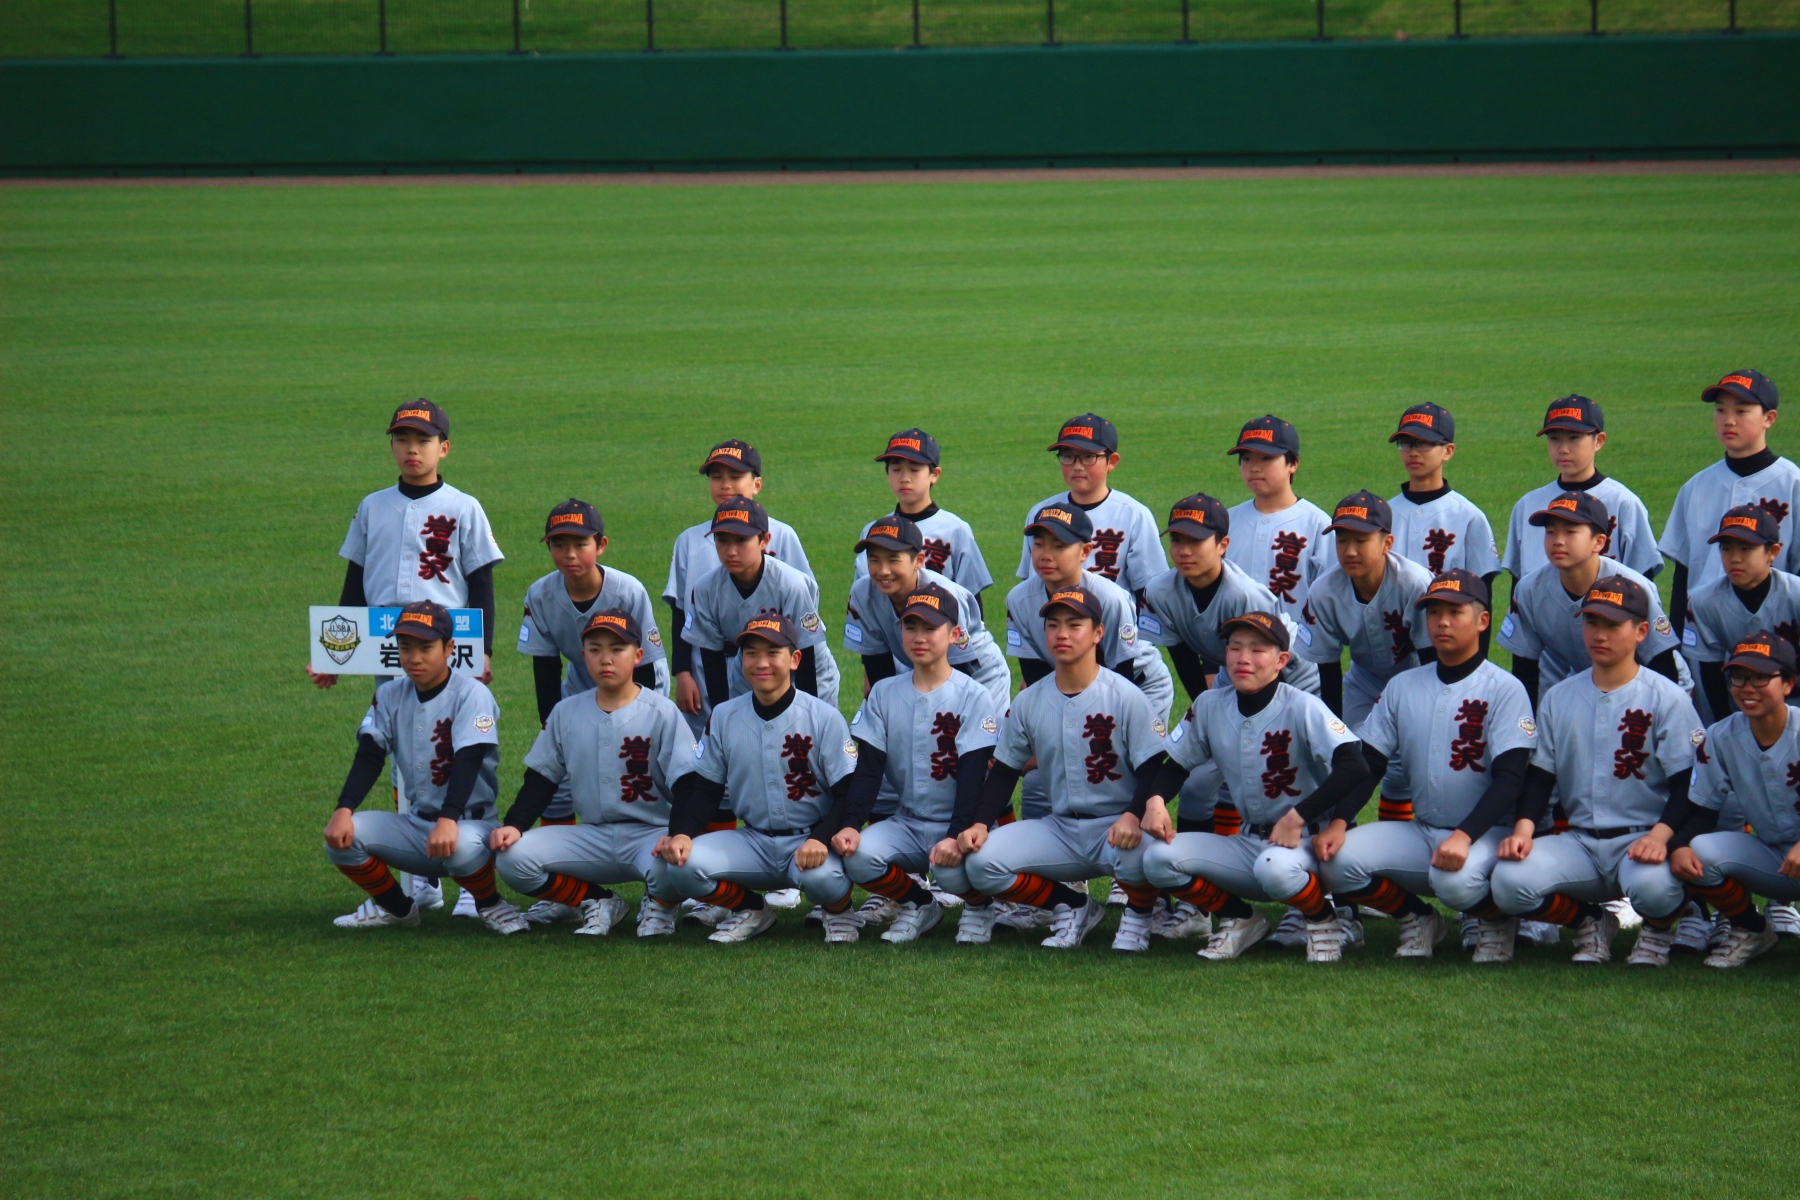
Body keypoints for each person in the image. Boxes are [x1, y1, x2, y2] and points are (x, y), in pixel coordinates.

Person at [310, 399, 505, 917]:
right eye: (402, 440)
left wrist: (483, 648)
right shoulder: (372, 505)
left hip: (447, 642)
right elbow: (354, 581)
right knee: (401, 752)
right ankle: (420, 885)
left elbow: (481, 582)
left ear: (444, 447)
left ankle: (470, 885)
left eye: (422, 440)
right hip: (387, 640)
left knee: (458, 748)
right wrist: (334, 656)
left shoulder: (464, 506)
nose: (411, 449)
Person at [1317, 571, 1537, 961]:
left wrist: (1465, 836)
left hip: (1488, 835)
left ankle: (1496, 920)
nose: (1442, 622)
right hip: (1424, 831)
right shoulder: (1403, 686)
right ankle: (1418, 918)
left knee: (1454, 882)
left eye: (1455, 612)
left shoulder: (1505, 689)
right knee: (1336, 862)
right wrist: (1339, 821)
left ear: (1482, 621)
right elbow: (1370, 762)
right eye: (1434, 612)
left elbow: (1511, 779)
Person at [1489, 577, 1706, 964]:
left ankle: (1658, 930)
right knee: (1508, 882)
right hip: (1580, 844)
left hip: (1643, 840)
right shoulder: (1559, 697)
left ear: (1641, 632)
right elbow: (1540, 776)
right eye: (1592, 622)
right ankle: (1590, 922)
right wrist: (1523, 829)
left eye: (1612, 625)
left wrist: (1661, 837)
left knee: (1656, 890)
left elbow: (1689, 785)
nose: (1599, 634)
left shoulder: (1667, 698)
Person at [948, 587, 1173, 951]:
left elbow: (1152, 768)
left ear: (1098, 633)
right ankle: (1072, 905)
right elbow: (1004, 771)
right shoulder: (1029, 700)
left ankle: (1140, 913)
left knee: (1148, 853)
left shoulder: (1126, 695)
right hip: (1060, 829)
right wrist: (979, 823)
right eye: (1053, 625)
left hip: (1117, 825)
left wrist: (1133, 815)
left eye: (1074, 624)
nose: (1062, 634)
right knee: (981, 864)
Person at [1138, 612, 1371, 963]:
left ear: (1281, 661)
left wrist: (1297, 816)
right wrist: (1155, 800)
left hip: (1309, 843)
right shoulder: (1210, 705)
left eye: (1257, 650)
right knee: (1157, 859)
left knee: (1274, 868)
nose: (1243, 658)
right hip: (1250, 842)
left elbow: (1355, 764)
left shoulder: (1303, 705)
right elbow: (1177, 765)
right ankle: (1242, 918)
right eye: (1235, 648)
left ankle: (1323, 919)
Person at [1138, 493, 1320, 940]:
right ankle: (1199, 904)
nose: (1184, 550)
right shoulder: (1161, 590)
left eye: (1195, 541)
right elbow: (1182, 654)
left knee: (1293, 783)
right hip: (1232, 682)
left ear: (1222, 544)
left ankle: (1312, 902)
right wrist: (1207, 712)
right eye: (1177, 540)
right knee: (1197, 784)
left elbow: (1273, 663)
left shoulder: (1246, 595)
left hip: (1290, 685)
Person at [321, 602, 527, 935]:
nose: (414, 658)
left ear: (449, 648)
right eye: (406, 648)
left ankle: (490, 904)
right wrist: (343, 809)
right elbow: (370, 755)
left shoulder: (472, 694)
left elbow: (470, 759)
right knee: (342, 838)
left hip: (472, 827)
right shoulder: (389, 694)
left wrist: (448, 819)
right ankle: (398, 909)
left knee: (460, 847)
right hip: (417, 826)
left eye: (425, 648)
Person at [491, 609, 697, 939]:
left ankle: (661, 905)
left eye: (617, 649)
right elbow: (542, 777)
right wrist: (515, 825)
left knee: (678, 862)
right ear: (583, 655)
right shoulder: (566, 711)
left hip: (650, 835)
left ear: (638, 655)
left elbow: (689, 783)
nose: (606, 659)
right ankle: (596, 900)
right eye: (595, 649)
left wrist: (679, 833)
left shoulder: (661, 712)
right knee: (512, 858)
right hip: (591, 837)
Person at [656, 612, 861, 943]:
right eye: (751, 653)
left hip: (808, 840)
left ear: (794, 660)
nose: (761, 662)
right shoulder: (724, 716)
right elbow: (706, 790)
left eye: (772, 652)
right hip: (752, 841)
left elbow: (847, 793)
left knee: (823, 879)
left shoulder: (824, 717)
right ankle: (751, 909)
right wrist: (681, 833)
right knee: (682, 865)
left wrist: (821, 838)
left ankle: (839, 912)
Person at [513, 499, 664, 924]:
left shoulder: (628, 591)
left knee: (642, 774)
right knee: (558, 779)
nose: (569, 554)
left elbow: (645, 663)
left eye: (580, 544)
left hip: (640, 686)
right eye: (558, 544)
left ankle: (660, 889)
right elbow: (544, 666)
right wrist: (552, 727)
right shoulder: (541, 593)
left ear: (601, 545)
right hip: (578, 688)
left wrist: (639, 719)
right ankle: (569, 890)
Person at [832, 583, 1001, 943]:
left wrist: (955, 835)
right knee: (857, 856)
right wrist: (851, 824)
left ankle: (979, 906)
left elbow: (974, 776)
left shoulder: (974, 694)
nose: (919, 637)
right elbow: (868, 769)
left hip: (960, 824)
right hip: (907, 822)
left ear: (954, 635)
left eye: (930, 628)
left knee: (952, 869)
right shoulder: (884, 692)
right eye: (911, 627)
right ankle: (920, 903)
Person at [1004, 502, 1174, 844]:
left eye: (1058, 545)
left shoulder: (1110, 598)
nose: (1046, 555)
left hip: (1137, 687)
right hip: (1070, 684)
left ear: (1085, 552)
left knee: (1120, 771)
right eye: (1038, 544)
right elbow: (1036, 674)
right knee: (1047, 775)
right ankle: (1051, 856)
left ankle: (1131, 851)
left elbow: (1121, 679)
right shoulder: (1019, 599)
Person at [663, 439, 814, 736]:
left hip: (777, 661)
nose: (725, 485)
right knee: (724, 735)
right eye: (717, 477)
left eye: (735, 476)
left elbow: (805, 613)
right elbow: (682, 610)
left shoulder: (782, 537)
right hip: (712, 658)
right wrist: (682, 671)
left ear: (756, 484)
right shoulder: (690, 541)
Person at [1297, 490, 1433, 818]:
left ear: (1387, 543)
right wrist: (1334, 731)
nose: (1350, 551)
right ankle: (1341, 833)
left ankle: (1401, 838)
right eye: (1342, 540)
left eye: (1361, 540)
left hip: (1417, 677)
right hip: (1364, 681)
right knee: (1346, 761)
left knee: (1411, 765)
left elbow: (1433, 657)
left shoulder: (1415, 584)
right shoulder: (1325, 591)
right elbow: (1328, 669)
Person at [1673, 632, 1800, 967]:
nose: (1747, 688)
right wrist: (1680, 845)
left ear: (1788, 684)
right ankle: (1752, 929)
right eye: (1739, 677)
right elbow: (1703, 809)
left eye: (1760, 678)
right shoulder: (1720, 736)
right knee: (1699, 852)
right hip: (1774, 858)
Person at [1499, 490, 1682, 708]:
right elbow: (1525, 668)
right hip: (1586, 690)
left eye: (1570, 532)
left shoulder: (1634, 587)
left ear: (1599, 542)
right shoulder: (1529, 590)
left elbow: (1662, 662)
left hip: (1653, 687)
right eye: (1550, 532)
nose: (1558, 541)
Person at [683, 495, 839, 710]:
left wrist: (809, 716)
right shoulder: (706, 589)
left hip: (808, 673)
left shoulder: (791, 585)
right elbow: (712, 659)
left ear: (764, 540)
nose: (731, 551)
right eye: (722, 540)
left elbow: (806, 652)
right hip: (751, 673)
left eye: (741, 540)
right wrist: (719, 716)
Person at [845, 513, 1009, 704]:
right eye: (874, 560)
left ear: (918, 560)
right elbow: (877, 666)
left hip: (980, 675)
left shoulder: (944, 595)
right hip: (923, 671)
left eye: (893, 560)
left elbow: (961, 671)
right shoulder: (862, 593)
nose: (883, 571)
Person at [1502, 394, 1661, 581]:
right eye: (1554, 438)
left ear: (1599, 441)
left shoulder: (1623, 503)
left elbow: (1642, 581)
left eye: (1574, 438)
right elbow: (1519, 586)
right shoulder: (1528, 504)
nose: (1563, 449)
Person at [1014, 413, 1166, 605]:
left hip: (1111, 619)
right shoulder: (1042, 512)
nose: (1077, 466)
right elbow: (1029, 583)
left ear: (1112, 461)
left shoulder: (1134, 515)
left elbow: (1151, 589)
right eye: (1068, 456)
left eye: (1088, 457)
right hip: (1052, 619)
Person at [1685, 504, 1800, 721]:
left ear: (1773, 552)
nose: (1735, 558)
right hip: (1742, 708)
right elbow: (1710, 673)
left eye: (1746, 548)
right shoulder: (1703, 602)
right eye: (1726, 548)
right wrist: (1726, 726)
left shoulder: (1795, 595)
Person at [1224, 415, 1334, 631]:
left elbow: (1332, 596)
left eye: (1266, 458)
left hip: (1298, 648)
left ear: (1293, 464)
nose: (1254, 467)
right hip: (1235, 645)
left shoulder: (1317, 523)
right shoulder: (1227, 521)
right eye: (1246, 458)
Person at [853, 428, 992, 595]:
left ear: (934, 474)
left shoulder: (955, 529)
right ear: (887, 472)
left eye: (914, 469)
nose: (904, 478)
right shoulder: (873, 531)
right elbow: (863, 594)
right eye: (896, 469)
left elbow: (970, 598)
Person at [1385, 403, 1501, 581]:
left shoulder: (1469, 516)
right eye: (1406, 443)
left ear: (1448, 451)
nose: (1413, 452)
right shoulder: (1384, 514)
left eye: (1423, 443)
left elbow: (1481, 587)